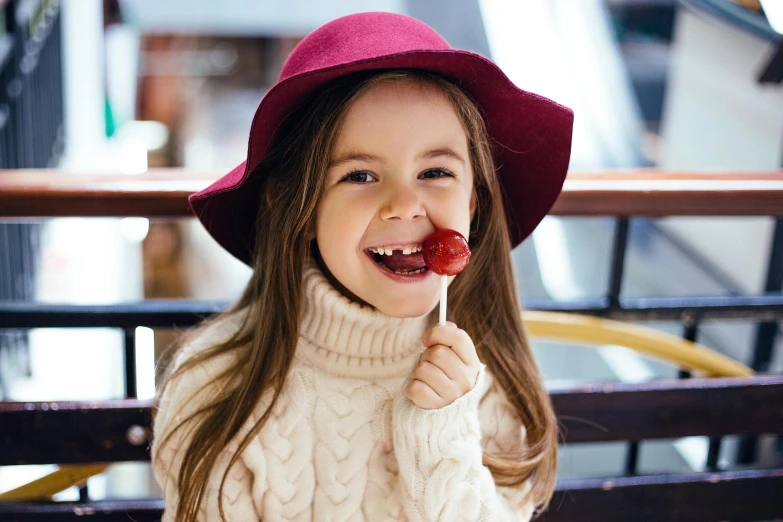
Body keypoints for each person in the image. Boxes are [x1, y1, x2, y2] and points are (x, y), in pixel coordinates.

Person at [152, 11, 573, 522]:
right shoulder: (215, 387)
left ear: (474, 204)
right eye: (361, 175)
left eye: (435, 171)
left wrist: (441, 437)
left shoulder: (489, 382)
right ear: (300, 210)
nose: (404, 204)